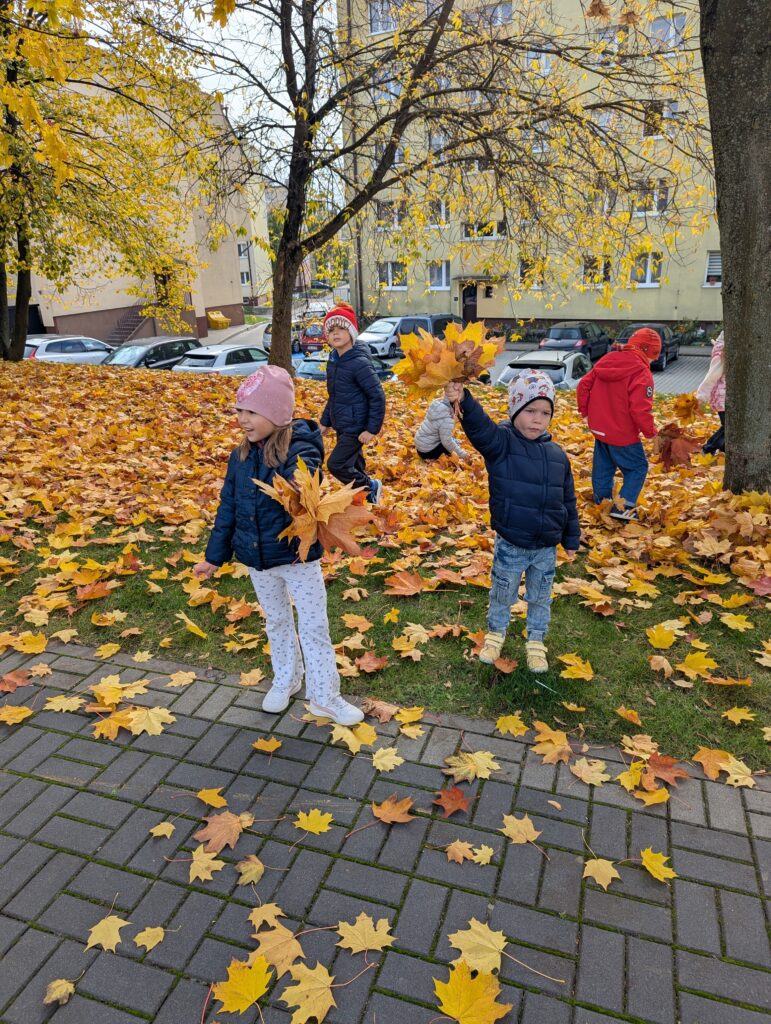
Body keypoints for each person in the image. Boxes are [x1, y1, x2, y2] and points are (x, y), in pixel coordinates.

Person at [193, 366, 363, 726]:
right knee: (277, 621)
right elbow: (228, 507)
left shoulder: (299, 444)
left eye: (251, 411)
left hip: (296, 557)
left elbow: (304, 473)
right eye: (239, 411)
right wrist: (214, 557)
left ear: (276, 413)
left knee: (314, 625)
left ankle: (325, 695)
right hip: (258, 559)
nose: (242, 419)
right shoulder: (239, 457)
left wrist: (297, 484)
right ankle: (287, 678)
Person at [446, 371, 580, 674]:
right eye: (530, 410)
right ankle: (495, 633)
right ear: (516, 410)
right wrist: (463, 399)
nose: (538, 419)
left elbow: (568, 500)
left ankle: (536, 639)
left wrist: (571, 539)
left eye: (545, 413)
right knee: (503, 592)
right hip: (511, 543)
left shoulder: (557, 455)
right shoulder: (501, 444)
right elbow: (480, 429)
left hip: (545, 547)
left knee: (540, 596)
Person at [576, 327, 661, 521]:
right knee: (638, 467)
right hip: (623, 433)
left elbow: (583, 385)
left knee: (603, 467)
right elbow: (640, 409)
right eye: (654, 355)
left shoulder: (606, 360)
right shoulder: (641, 372)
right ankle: (624, 506)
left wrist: (585, 411)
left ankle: (602, 502)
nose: (654, 360)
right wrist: (651, 433)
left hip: (599, 428)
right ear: (648, 352)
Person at [319, 303, 386, 504]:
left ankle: (370, 486)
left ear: (351, 332)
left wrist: (371, 429)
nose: (336, 333)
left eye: (341, 328)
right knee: (354, 464)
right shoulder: (334, 361)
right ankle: (364, 499)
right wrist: (325, 421)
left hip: (356, 427)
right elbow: (335, 395)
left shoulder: (359, 363)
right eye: (331, 330)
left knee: (336, 464)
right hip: (342, 423)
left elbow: (377, 396)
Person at [414, 384, 468, 460]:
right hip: (428, 452)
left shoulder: (436, 407)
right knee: (448, 447)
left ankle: (454, 442)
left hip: (420, 447)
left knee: (444, 435)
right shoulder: (447, 419)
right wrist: (463, 455)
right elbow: (447, 442)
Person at [696, 330, 726, 454]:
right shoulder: (722, 355)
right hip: (722, 398)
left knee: (728, 428)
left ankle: (720, 448)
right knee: (730, 427)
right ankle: (708, 449)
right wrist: (701, 397)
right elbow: (711, 377)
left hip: (727, 397)